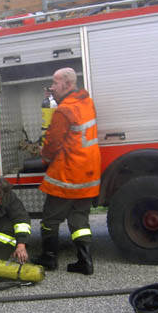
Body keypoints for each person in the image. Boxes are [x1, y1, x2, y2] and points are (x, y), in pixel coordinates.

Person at [32, 67, 101, 275]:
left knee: (50, 219)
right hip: (89, 173)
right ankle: (85, 261)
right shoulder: (87, 102)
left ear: (68, 84)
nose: (51, 87)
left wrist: (43, 156)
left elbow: (52, 144)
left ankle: (49, 258)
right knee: (79, 219)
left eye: (55, 83)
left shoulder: (64, 110)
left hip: (68, 174)